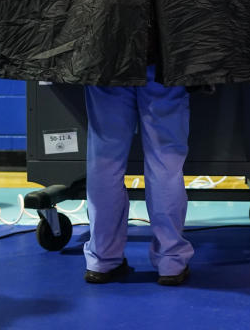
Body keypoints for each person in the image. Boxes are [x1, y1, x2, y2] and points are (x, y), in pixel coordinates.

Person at [81, 18, 194, 286]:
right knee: (165, 160)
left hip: (106, 53)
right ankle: (171, 261)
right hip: (163, 55)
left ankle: (102, 260)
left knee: (104, 160)